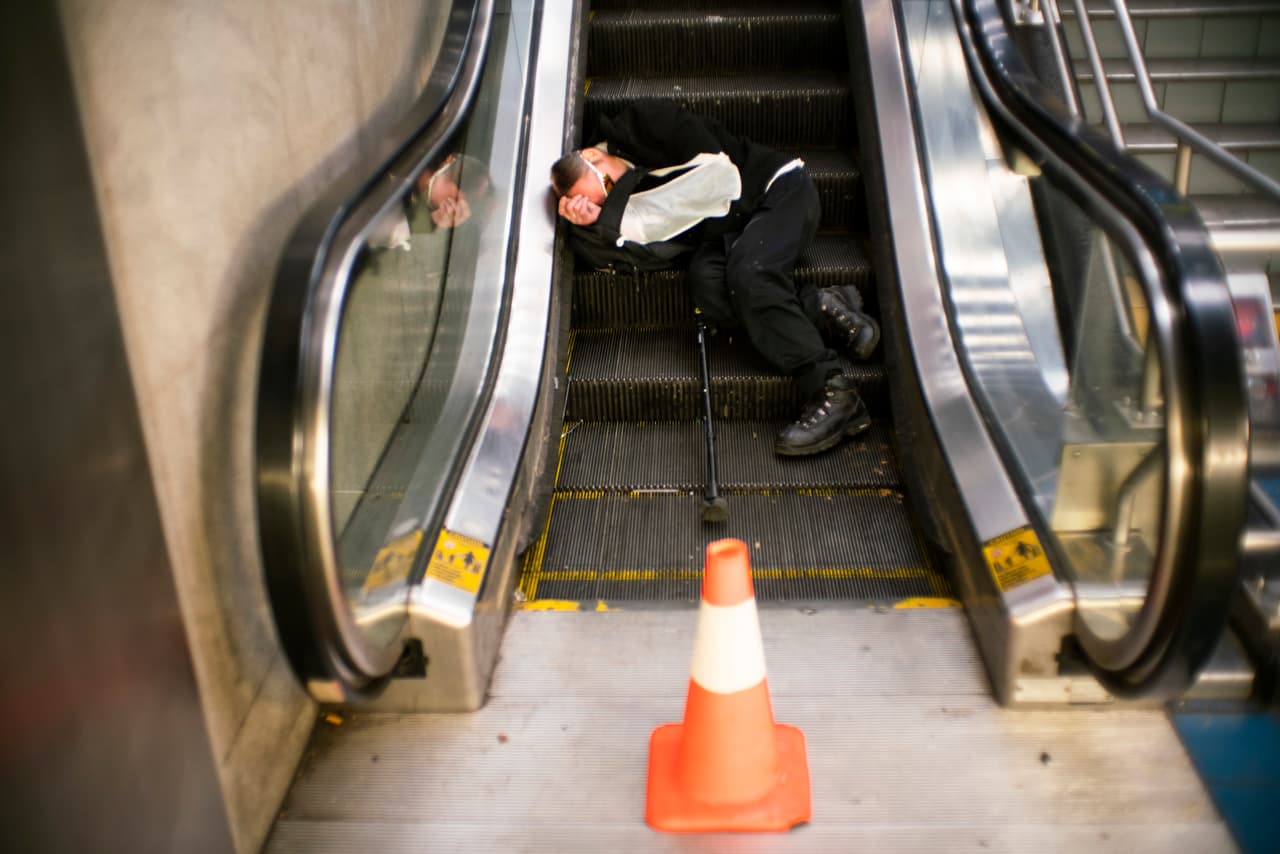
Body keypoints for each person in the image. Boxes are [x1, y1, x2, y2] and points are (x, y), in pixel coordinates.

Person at [550, 100, 880, 456]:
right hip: (727, 236)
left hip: (775, 190)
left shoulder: (647, 122)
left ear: (593, 155)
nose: (614, 197)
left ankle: (834, 390)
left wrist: (612, 215)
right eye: (603, 201)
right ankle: (820, 305)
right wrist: (592, 226)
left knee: (749, 275)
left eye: (607, 186)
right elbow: (634, 258)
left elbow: (719, 180)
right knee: (705, 286)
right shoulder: (617, 203)